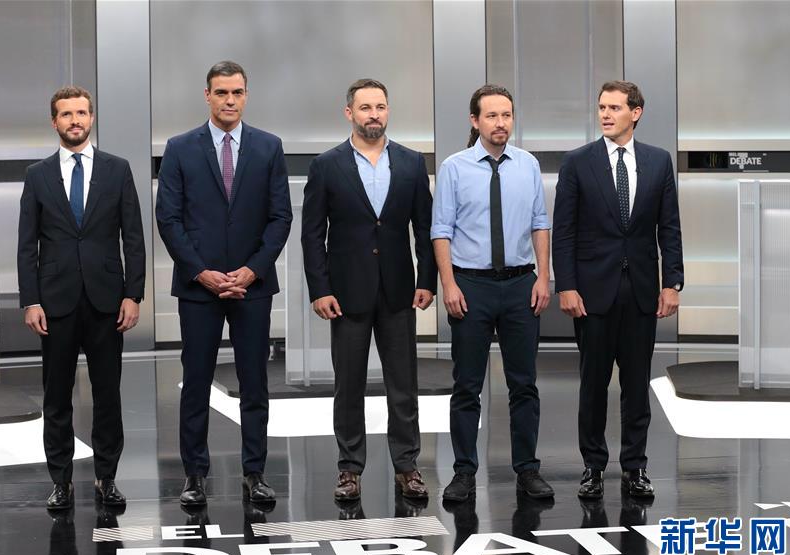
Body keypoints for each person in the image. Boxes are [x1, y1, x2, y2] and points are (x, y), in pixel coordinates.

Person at [156, 61, 292, 505]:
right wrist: (202, 272)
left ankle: (255, 472)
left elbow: (280, 217)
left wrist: (253, 269)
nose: (229, 100)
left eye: (236, 92)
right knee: (196, 382)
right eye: (221, 92)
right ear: (207, 95)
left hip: (253, 286)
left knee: (255, 383)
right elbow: (168, 219)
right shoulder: (179, 148)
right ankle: (195, 475)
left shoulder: (269, 147)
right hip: (199, 288)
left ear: (246, 95)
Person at [301, 78, 436, 501]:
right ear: (350, 113)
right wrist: (320, 289)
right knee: (348, 386)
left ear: (388, 111)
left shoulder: (412, 163)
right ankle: (349, 469)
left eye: (380, 107)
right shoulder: (327, 165)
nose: (374, 114)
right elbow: (312, 234)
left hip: (399, 290)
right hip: (346, 294)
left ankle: (407, 466)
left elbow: (425, 228)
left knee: (403, 384)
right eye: (365, 108)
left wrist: (426, 280)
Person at [552, 80, 683, 499]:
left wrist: (672, 282)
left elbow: (669, 227)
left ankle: (635, 467)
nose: (606, 115)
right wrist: (566, 285)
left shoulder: (659, 161)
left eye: (614, 108)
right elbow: (564, 232)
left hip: (641, 291)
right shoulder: (578, 162)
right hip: (592, 292)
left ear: (636, 112)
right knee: (593, 384)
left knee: (636, 385)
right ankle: (592, 467)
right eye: (602, 107)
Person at [17, 86, 146, 509]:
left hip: (107, 300)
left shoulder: (117, 169)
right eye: (66, 114)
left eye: (82, 113)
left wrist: (133, 294)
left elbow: (134, 237)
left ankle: (107, 478)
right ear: (54, 121)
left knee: (108, 395)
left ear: (92, 118)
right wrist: (31, 300)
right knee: (56, 397)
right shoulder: (37, 175)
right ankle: (61, 481)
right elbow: (26, 244)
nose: (75, 120)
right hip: (55, 302)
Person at [431, 84, 554, 502]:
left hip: (521, 284)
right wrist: (448, 284)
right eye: (492, 116)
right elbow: (441, 230)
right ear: (475, 120)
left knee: (524, 385)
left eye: (506, 115)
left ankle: (527, 469)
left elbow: (540, 222)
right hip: (471, 286)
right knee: (467, 385)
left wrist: (543, 277)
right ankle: (464, 472)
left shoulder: (528, 165)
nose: (501, 123)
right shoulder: (454, 167)